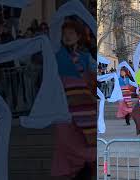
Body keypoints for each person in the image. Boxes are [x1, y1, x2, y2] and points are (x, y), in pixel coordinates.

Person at [51, 19, 95, 180]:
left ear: (78, 36)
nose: (67, 36)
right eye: (64, 34)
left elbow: (94, 77)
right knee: (65, 142)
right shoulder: (56, 55)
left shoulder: (85, 57)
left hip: (85, 107)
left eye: (71, 33)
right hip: (65, 107)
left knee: (84, 142)